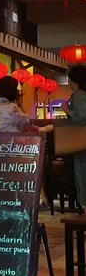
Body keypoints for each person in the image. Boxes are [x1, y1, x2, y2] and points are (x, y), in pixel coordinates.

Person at [64, 65, 86, 211]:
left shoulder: (79, 95)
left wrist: (67, 110)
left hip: (81, 143)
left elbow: (80, 118)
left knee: (82, 176)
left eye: (70, 80)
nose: (69, 83)